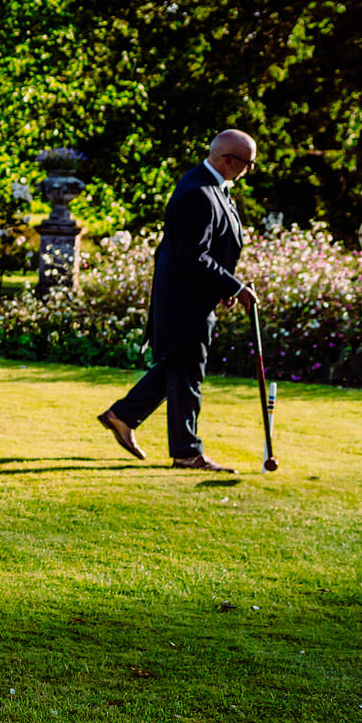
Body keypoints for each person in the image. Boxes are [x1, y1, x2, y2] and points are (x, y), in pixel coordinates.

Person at [98, 129, 259, 473]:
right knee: (188, 375)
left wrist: (222, 287)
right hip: (184, 302)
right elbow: (192, 256)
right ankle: (187, 453)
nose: (250, 170)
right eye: (250, 164)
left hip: (194, 297)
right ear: (229, 160)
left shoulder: (213, 187)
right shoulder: (198, 192)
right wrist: (234, 288)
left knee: (178, 368)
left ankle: (123, 415)